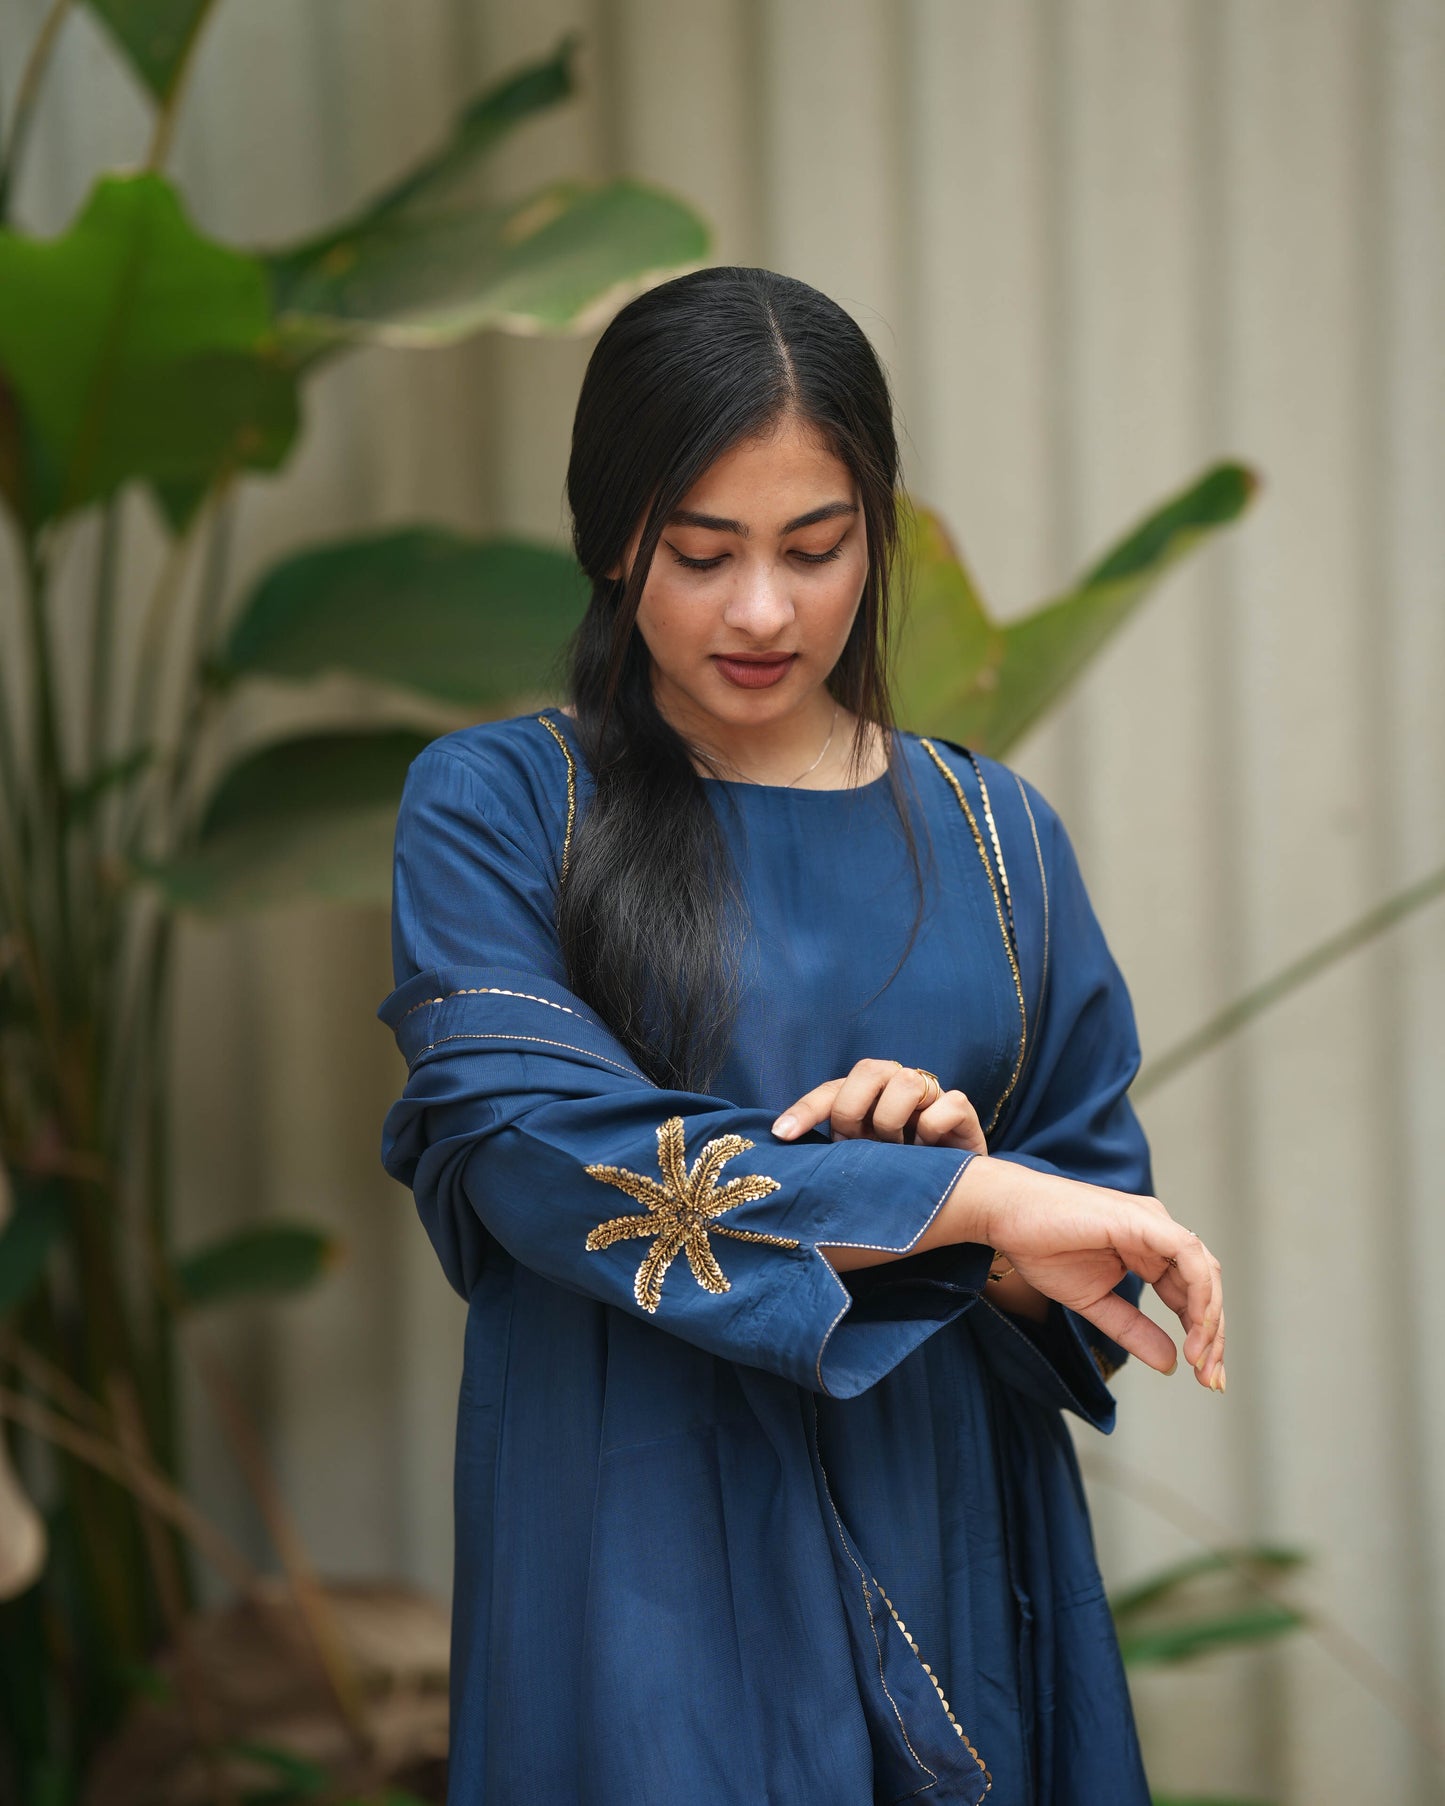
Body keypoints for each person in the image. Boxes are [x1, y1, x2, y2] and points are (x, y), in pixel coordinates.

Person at [376, 265, 1226, 1805]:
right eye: (701, 554)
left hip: (944, 1543)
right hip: (629, 1561)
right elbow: (526, 1145)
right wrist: (952, 1203)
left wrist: (992, 1228)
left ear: (873, 534)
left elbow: (1082, 1229)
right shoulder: (502, 809)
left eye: (814, 548)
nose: (761, 610)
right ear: (609, 535)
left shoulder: (994, 839)